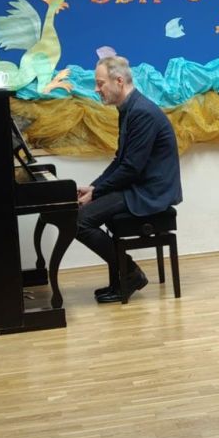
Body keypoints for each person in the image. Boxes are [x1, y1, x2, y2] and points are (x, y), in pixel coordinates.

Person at [76, 56, 182, 303]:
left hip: (149, 192)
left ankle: (131, 274)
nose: (97, 89)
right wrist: (94, 187)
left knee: (79, 222)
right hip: (138, 186)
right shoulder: (128, 109)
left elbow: (131, 169)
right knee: (82, 216)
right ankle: (124, 276)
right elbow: (120, 161)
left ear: (119, 81)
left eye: (100, 83)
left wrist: (97, 193)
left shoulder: (141, 112)